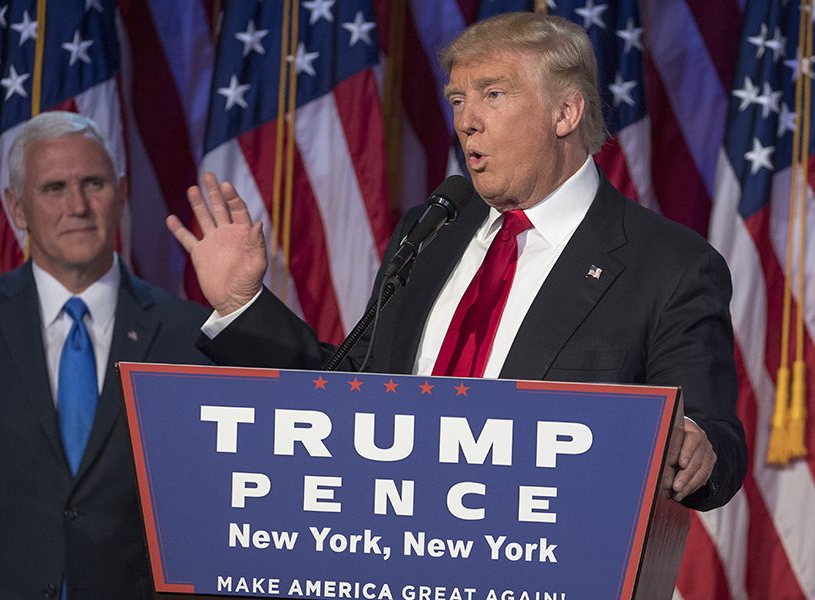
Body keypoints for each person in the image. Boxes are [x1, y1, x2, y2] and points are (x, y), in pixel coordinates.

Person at [167, 12, 746, 511]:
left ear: (565, 113)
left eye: (493, 94)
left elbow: (713, 435)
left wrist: (693, 442)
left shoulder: (668, 265)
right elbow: (349, 402)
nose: (467, 119)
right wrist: (242, 305)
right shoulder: (433, 231)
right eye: (458, 99)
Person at [0, 111, 211, 599]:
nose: (77, 205)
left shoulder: (190, 336)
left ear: (120, 193)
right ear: (17, 208)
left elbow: (203, 514)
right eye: (53, 188)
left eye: (92, 183)